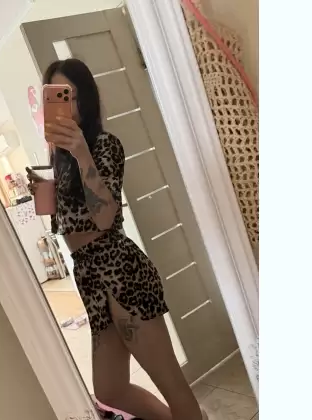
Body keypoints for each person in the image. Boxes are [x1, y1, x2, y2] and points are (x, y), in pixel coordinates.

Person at [28, 58, 208, 420]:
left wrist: (82, 153)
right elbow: (71, 220)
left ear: (86, 99)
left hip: (121, 273)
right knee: (110, 389)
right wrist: (49, 191)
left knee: (171, 383)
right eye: (57, 96)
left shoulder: (104, 145)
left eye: (71, 95)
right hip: (89, 276)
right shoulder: (61, 157)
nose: (66, 105)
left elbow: (105, 217)